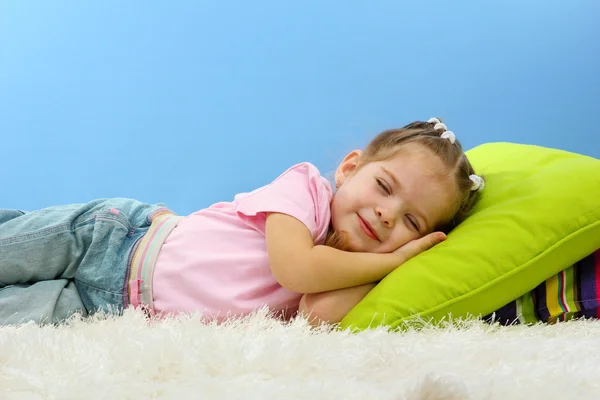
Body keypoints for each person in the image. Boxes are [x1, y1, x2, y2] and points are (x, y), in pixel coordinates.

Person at [0, 118, 484, 326]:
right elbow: (296, 268)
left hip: (109, 307)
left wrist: (391, 268)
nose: (386, 213)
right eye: (384, 186)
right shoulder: (307, 191)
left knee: (15, 315)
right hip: (117, 240)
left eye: (412, 221)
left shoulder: (351, 274)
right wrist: (389, 260)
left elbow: (318, 316)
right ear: (351, 168)